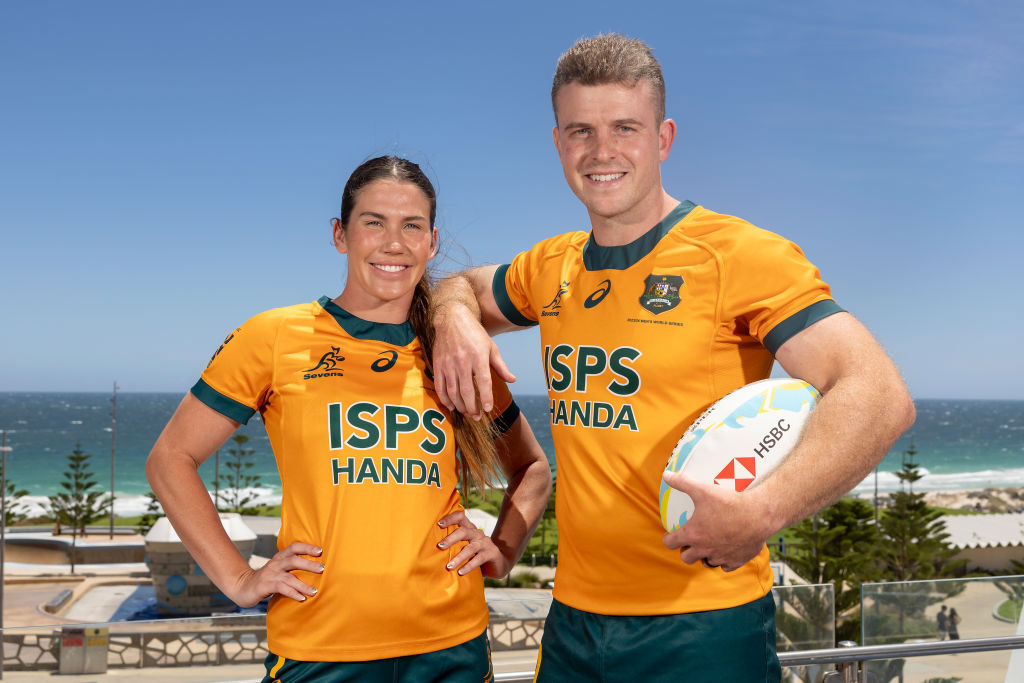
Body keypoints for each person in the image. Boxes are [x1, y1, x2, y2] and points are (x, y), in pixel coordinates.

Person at [430, 34, 915, 681]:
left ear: (663, 139)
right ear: (558, 144)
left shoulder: (738, 255)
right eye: (580, 131)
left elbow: (877, 393)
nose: (601, 151)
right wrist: (454, 317)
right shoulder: (551, 266)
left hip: (703, 621)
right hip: (574, 621)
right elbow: (457, 284)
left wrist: (764, 512)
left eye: (624, 128)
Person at [146, 156, 552, 682]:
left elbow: (532, 469)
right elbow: (170, 459)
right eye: (373, 222)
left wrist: (501, 551)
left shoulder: (455, 352)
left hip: (452, 646)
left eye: (412, 226)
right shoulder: (274, 337)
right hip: (320, 649)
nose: (394, 243)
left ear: (432, 242)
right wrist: (239, 579)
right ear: (340, 234)